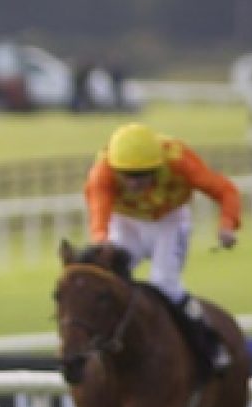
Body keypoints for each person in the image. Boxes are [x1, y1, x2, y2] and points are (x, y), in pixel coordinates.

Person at [84, 122, 242, 375]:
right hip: (128, 223)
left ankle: (209, 343)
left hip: (169, 221)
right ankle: (98, 348)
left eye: (143, 174)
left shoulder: (179, 160)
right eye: (127, 175)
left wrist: (227, 223)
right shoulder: (102, 172)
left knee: (165, 283)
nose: (134, 183)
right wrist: (101, 239)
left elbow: (225, 190)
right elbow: (98, 215)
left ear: (158, 167)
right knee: (109, 280)